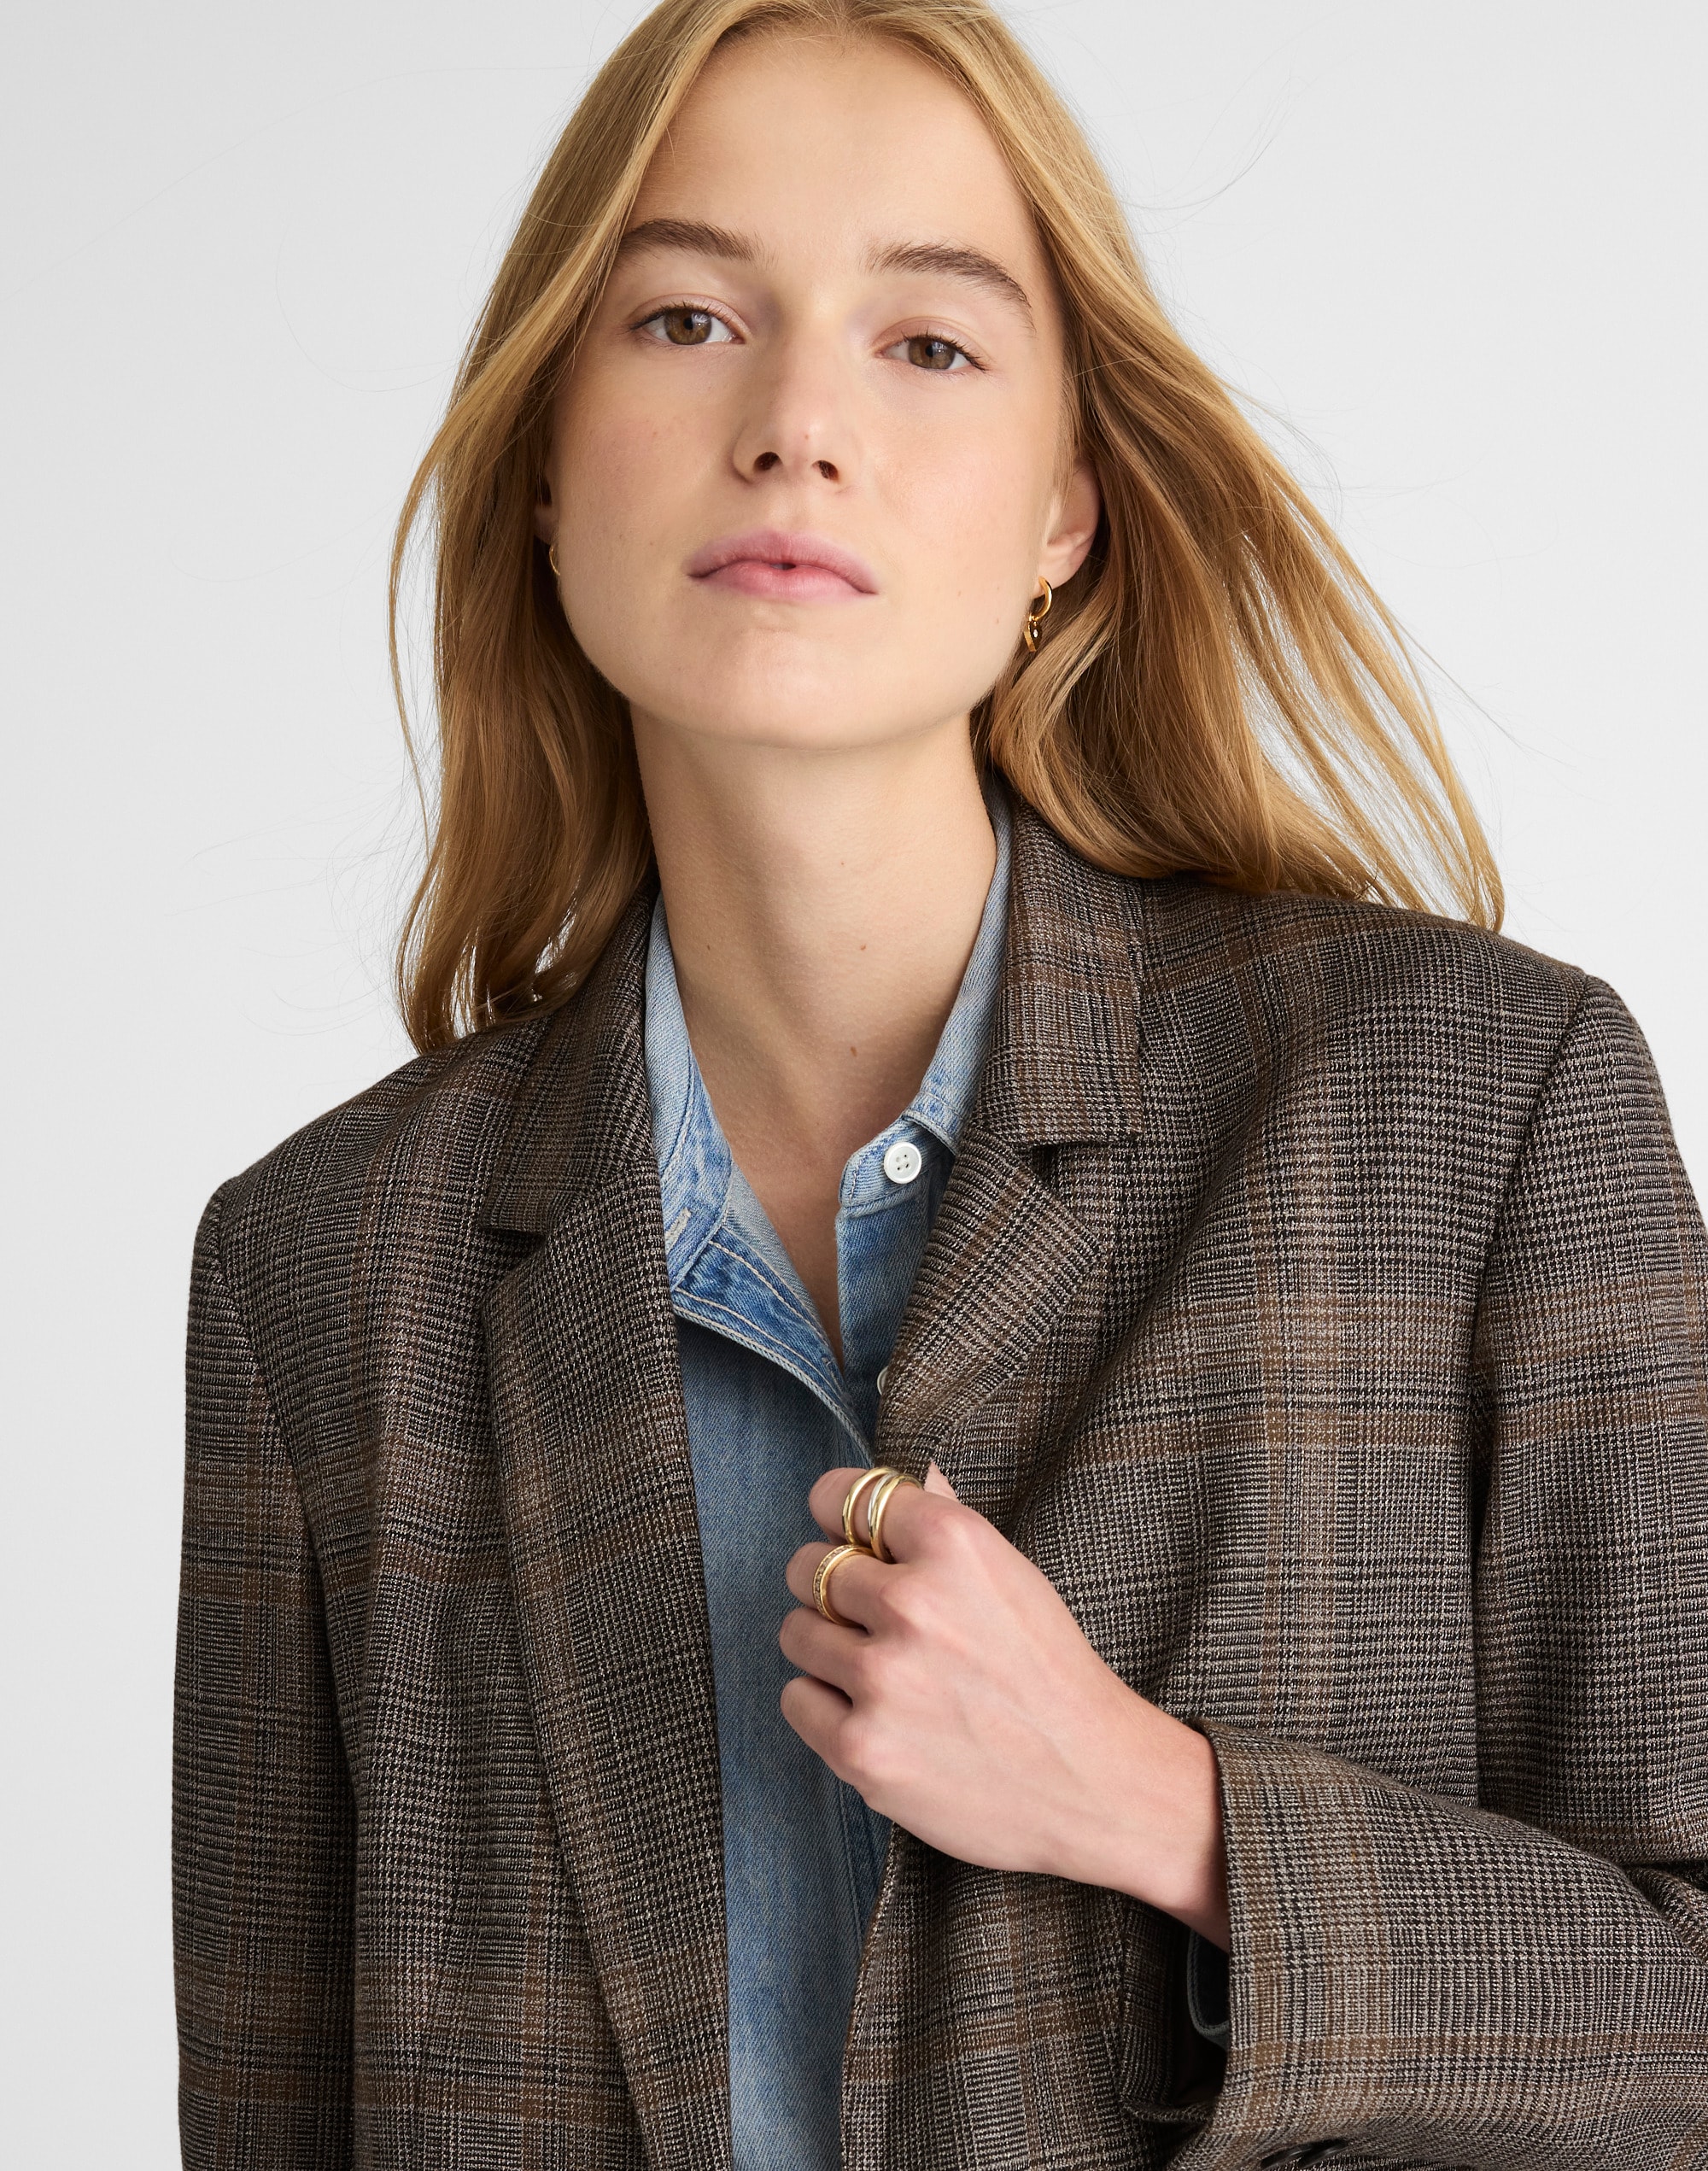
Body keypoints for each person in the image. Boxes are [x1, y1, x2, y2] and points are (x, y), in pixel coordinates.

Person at [170, 1, 1708, 2166]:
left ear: (1069, 507)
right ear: (543, 462)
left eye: (929, 343)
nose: (796, 425)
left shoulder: (1468, 1108)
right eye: (687, 318)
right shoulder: (323, 1273)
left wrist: (1161, 1806)